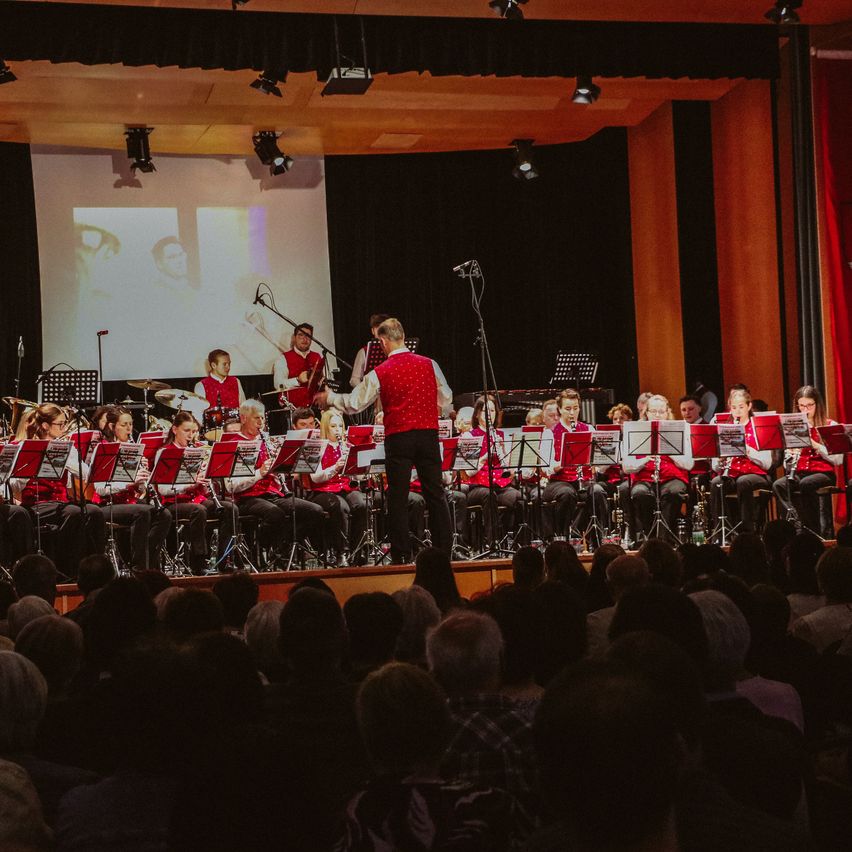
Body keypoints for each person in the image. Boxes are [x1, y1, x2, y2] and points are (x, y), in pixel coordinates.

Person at [316, 317, 452, 563]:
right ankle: (445, 551)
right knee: (436, 492)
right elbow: (446, 398)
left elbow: (354, 404)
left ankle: (401, 553)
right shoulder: (429, 364)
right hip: (427, 434)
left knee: (397, 496)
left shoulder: (381, 371)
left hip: (399, 436)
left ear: (383, 341)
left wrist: (330, 398)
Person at [10, 404, 105, 579]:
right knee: (75, 513)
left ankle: (95, 572)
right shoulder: (22, 446)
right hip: (35, 505)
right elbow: (15, 486)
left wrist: (66, 460)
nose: (64, 428)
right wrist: (32, 465)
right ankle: (67, 568)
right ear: (45, 425)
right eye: (60, 424)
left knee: (94, 511)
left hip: (61, 503)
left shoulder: (64, 447)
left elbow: (87, 474)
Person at [225, 399, 325, 560]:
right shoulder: (234, 444)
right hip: (247, 498)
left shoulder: (265, 441)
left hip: (273, 494)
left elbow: (281, 472)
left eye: (263, 418)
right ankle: (259, 550)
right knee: (275, 514)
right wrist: (260, 472)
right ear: (243, 418)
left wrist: (283, 464)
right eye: (256, 418)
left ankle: (282, 548)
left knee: (315, 511)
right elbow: (232, 486)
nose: (261, 423)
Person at [153, 411, 235, 575]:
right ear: (175, 430)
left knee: (230, 508)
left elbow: (202, 489)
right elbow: (162, 489)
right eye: (187, 431)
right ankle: (198, 561)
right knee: (199, 510)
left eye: (194, 431)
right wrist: (189, 485)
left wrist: (205, 480)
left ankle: (224, 559)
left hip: (197, 499)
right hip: (173, 502)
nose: (191, 436)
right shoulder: (165, 452)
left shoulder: (198, 451)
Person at [95, 406, 170, 571]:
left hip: (131, 502)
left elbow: (141, 488)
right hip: (108, 504)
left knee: (164, 514)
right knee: (142, 512)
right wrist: (128, 484)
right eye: (124, 424)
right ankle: (139, 567)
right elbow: (100, 489)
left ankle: (149, 558)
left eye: (130, 424)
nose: (129, 428)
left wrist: (143, 479)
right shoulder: (103, 450)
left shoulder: (134, 450)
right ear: (112, 427)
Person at [772, 385, 842, 538]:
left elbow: (838, 459)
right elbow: (786, 464)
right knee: (779, 485)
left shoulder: (829, 425)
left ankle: (813, 530)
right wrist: (789, 456)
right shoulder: (793, 428)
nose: (805, 410)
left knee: (806, 484)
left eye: (810, 405)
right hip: (800, 472)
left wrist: (816, 445)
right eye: (802, 406)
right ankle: (799, 523)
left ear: (817, 404)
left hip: (823, 473)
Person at [622, 393, 693, 541]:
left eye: (661, 412)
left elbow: (689, 464)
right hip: (644, 478)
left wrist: (668, 449)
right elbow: (626, 467)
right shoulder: (635, 430)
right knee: (640, 493)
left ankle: (663, 537)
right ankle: (650, 535)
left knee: (674, 492)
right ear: (646, 413)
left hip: (672, 477)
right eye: (653, 411)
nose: (658, 415)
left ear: (668, 413)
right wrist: (646, 459)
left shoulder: (681, 429)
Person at [541, 389, 607, 540]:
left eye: (576, 408)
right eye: (568, 409)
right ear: (560, 409)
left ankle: (598, 537)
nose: (572, 413)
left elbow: (599, 461)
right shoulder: (550, 433)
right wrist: (563, 463)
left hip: (583, 480)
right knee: (567, 494)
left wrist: (596, 462)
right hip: (559, 481)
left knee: (597, 491)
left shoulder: (588, 429)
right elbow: (547, 468)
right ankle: (563, 537)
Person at [304, 409, 367, 565]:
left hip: (345, 487)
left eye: (340, 425)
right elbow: (316, 478)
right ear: (325, 427)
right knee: (341, 507)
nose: (338, 429)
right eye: (333, 426)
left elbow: (358, 477)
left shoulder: (348, 446)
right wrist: (335, 468)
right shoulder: (316, 447)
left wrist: (354, 467)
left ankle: (357, 550)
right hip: (322, 491)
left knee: (362, 504)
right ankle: (341, 552)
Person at [710, 389, 772, 535]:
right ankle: (724, 532)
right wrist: (720, 459)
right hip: (732, 473)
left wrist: (746, 449)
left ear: (749, 406)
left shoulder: (758, 427)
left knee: (743, 482)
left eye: (741, 407)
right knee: (716, 483)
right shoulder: (725, 429)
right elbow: (715, 466)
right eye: (734, 407)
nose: (737, 411)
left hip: (756, 475)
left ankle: (747, 531)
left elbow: (767, 463)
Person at [464, 394, 521, 547]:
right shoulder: (470, 436)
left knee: (518, 497)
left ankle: (518, 542)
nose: (490, 415)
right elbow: (468, 473)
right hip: (477, 486)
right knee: (489, 496)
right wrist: (484, 458)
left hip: (498, 485)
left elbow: (507, 468)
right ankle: (493, 542)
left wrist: (511, 467)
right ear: (477, 414)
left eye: (493, 411)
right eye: (485, 411)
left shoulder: (500, 435)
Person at [272, 323, 325, 410]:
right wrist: (297, 380)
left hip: (315, 408)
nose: (305, 339)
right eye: (301, 335)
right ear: (294, 338)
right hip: (293, 409)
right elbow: (278, 384)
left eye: (308, 336)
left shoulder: (317, 357)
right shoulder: (283, 358)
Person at [349, 312, 390, 387]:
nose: (381, 331)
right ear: (372, 331)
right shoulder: (364, 352)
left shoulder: (392, 349)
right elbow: (354, 380)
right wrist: (366, 392)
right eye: (378, 328)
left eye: (383, 328)